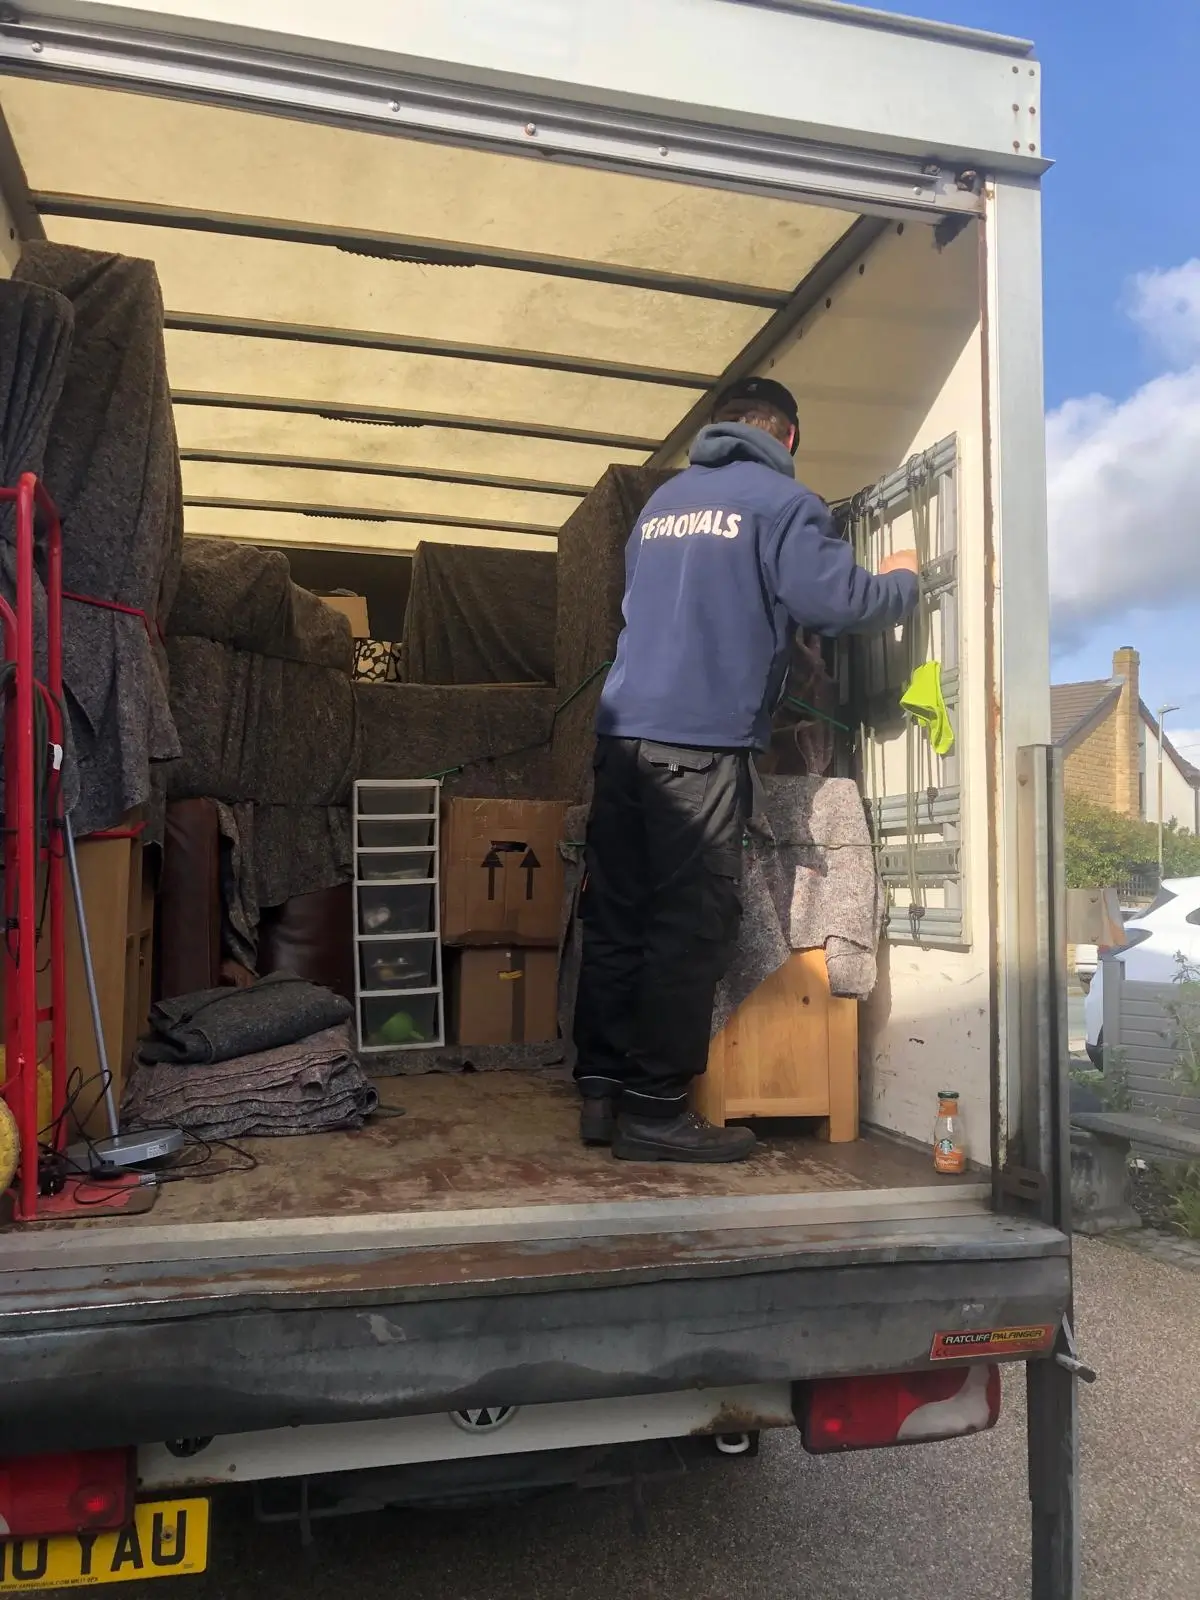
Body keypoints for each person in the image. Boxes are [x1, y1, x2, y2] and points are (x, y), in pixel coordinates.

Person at [572, 376, 920, 1164]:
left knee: (619, 917)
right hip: (698, 744)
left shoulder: (660, 508)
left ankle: (601, 1092)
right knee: (691, 925)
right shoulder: (781, 502)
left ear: (719, 428)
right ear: (787, 437)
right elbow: (836, 602)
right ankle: (657, 1114)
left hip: (622, 738)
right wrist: (900, 579)